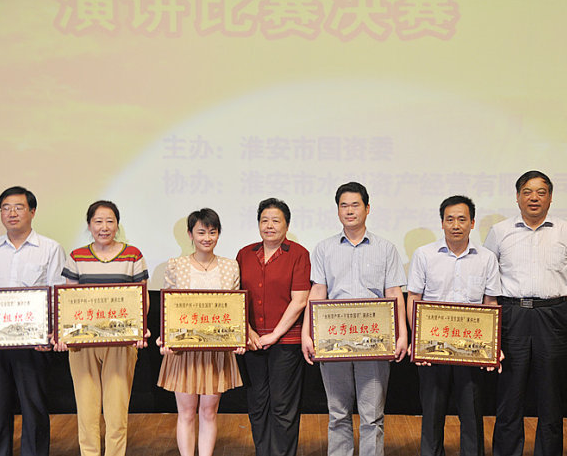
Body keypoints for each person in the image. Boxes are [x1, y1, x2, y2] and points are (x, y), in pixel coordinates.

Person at [484, 170, 567, 456]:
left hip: (552, 316)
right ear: (518, 197)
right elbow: (488, 273)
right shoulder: (500, 231)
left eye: (541, 192)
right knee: (510, 393)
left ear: (551, 198)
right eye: (527, 192)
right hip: (512, 314)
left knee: (551, 395)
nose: (534, 198)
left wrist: (552, 296)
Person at [301, 182, 408, 456]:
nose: (349, 211)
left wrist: (403, 335)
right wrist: (306, 333)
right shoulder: (324, 248)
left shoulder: (386, 248)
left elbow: (394, 293)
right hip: (333, 340)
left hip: (375, 341)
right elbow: (317, 292)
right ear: (338, 210)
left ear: (367, 208)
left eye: (355, 205)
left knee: (372, 415)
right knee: (337, 413)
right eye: (344, 205)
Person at [0, 186, 66, 456]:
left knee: (34, 407)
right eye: (6, 208)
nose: (12, 213)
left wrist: (50, 334)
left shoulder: (50, 248)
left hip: (33, 343)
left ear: (32, 212)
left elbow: (57, 294)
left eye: (19, 207)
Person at [407, 195, 501, 456]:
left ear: (472, 223)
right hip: (432, 347)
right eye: (450, 219)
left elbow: (490, 302)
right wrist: (417, 341)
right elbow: (414, 298)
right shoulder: (424, 255)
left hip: (471, 348)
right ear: (442, 223)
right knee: (432, 412)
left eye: (462, 219)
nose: (456, 225)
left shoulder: (486, 258)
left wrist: (491, 347)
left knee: (471, 412)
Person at [56, 200, 149, 456]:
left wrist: (140, 329)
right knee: (86, 409)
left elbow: (142, 298)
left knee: (116, 410)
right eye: (98, 221)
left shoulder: (133, 255)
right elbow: (69, 299)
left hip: (121, 342)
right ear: (89, 225)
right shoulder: (77, 256)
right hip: (83, 344)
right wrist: (64, 333)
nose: (104, 227)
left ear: (117, 225)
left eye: (110, 221)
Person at [156, 208, 244, 456]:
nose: (207, 238)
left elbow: (234, 308)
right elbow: (168, 306)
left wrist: (238, 338)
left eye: (212, 232)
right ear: (190, 235)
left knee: (209, 412)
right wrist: (166, 337)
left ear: (218, 234)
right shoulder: (176, 265)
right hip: (184, 349)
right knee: (186, 413)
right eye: (201, 232)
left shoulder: (230, 266)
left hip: (216, 350)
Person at [236, 198, 311, 456]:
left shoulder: (298, 254)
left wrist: (275, 334)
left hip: (286, 341)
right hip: (253, 340)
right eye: (264, 220)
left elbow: (299, 300)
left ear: (287, 225)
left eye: (276, 220)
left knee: (282, 405)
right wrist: (248, 331)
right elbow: (235, 298)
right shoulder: (244, 254)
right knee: (257, 403)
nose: (269, 225)